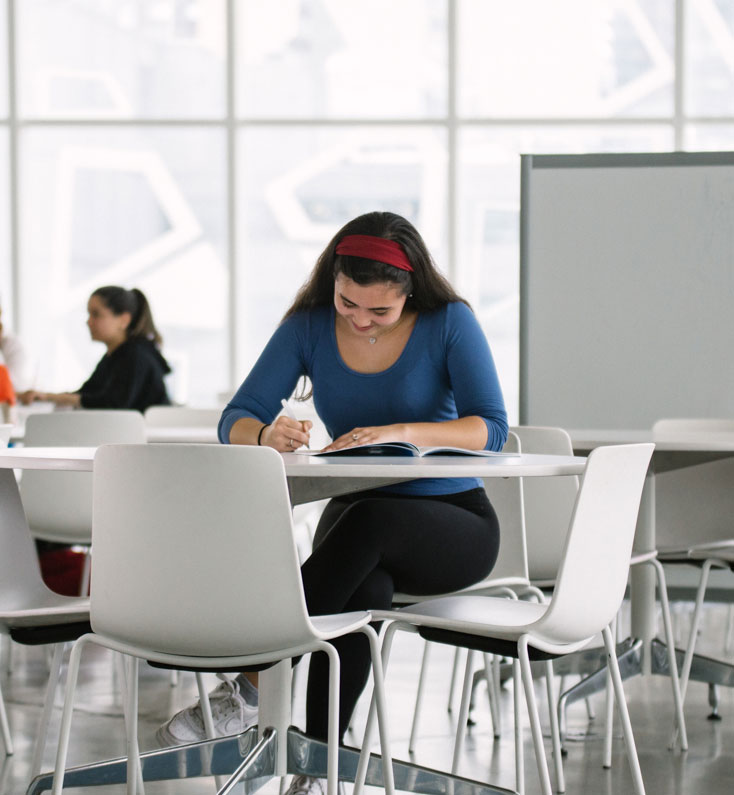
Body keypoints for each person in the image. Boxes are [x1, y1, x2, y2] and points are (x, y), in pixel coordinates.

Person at [156, 211, 508, 795]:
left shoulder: (450, 322)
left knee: (368, 522)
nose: (360, 319)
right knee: (360, 591)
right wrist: (266, 435)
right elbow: (233, 419)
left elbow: (491, 428)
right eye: (349, 303)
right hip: (353, 529)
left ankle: (250, 682)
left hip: (455, 525)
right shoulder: (308, 326)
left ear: (410, 289)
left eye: (380, 311)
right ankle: (318, 770)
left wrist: (406, 430)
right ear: (334, 281)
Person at [19, 286, 171, 413]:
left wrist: (50, 397)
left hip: (151, 442)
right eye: (89, 314)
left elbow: (112, 404)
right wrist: (45, 396)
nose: (88, 322)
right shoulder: (114, 356)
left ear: (124, 320)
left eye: (96, 314)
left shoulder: (137, 355)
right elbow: (86, 393)